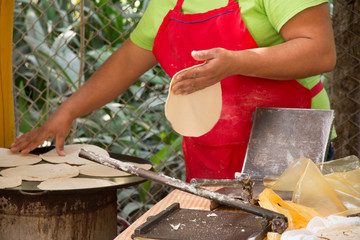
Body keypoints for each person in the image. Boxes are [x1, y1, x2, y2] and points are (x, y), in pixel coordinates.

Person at [11, 0, 336, 182]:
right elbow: (126, 62)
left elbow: (320, 52)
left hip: (290, 145)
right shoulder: (167, 3)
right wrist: (67, 111)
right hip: (210, 151)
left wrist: (236, 62)